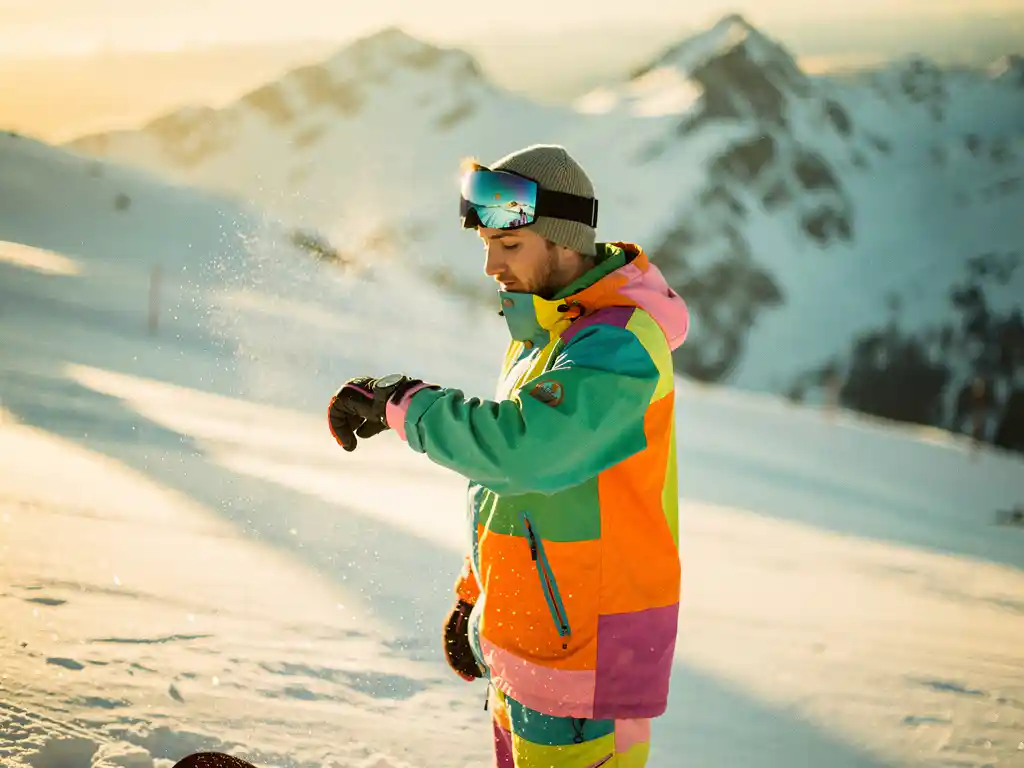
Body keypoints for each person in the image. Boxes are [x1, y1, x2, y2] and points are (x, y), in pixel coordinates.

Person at [327, 144, 689, 767]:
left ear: (564, 240)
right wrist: (477, 596)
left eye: (510, 245)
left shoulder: (618, 345)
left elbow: (524, 451)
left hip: (586, 664)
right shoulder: (544, 333)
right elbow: (505, 489)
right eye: (487, 245)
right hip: (526, 642)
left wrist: (403, 405)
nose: (492, 265)